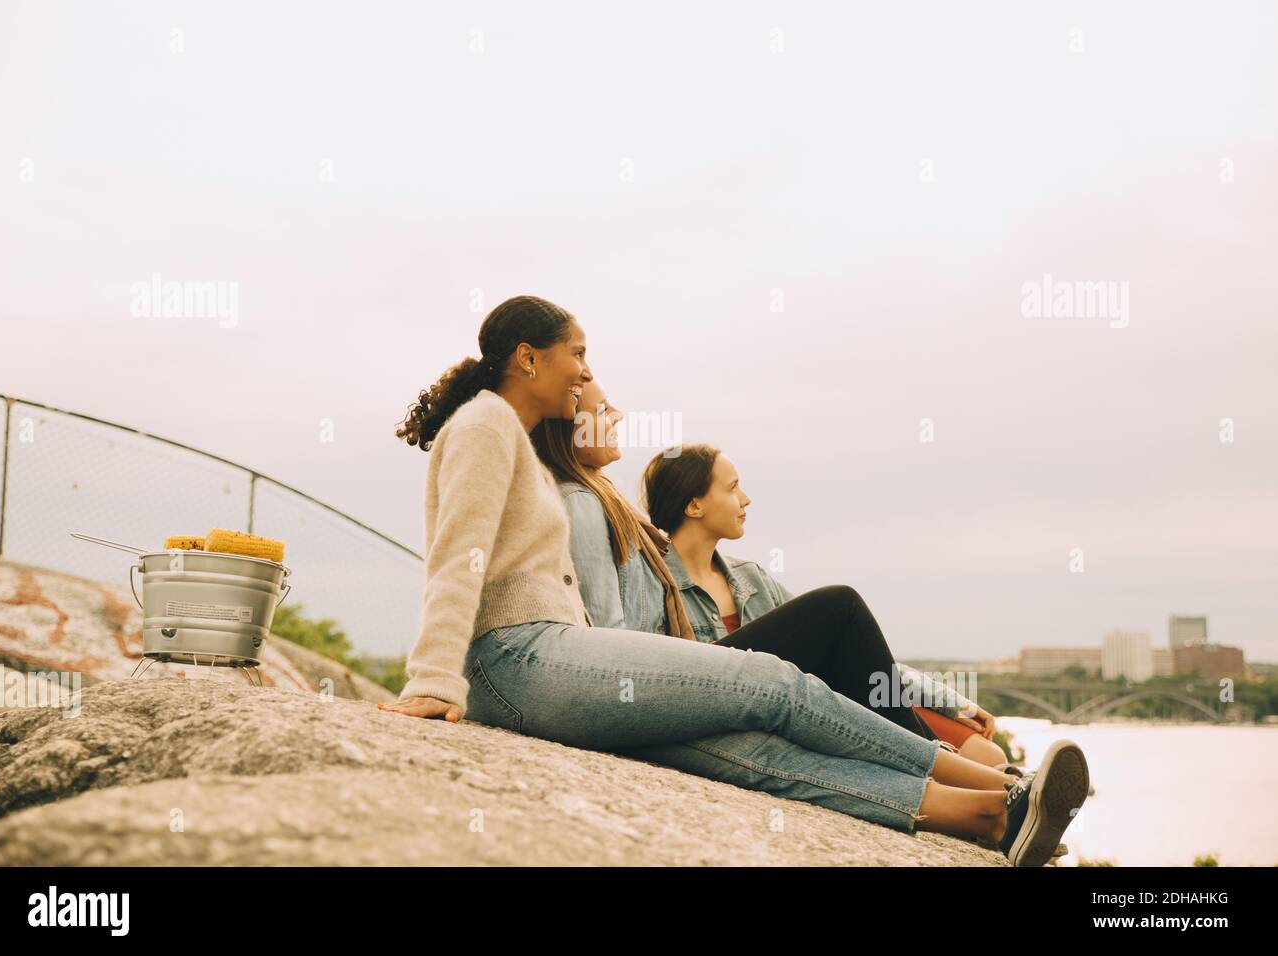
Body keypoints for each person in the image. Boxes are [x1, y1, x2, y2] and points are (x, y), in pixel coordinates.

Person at [378, 294, 1089, 865]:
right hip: (516, 658)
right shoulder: (486, 424)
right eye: (578, 355)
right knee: (773, 684)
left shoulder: (523, 449)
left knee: (751, 756)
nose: (586, 374)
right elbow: (457, 556)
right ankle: (998, 783)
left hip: (540, 667)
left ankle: (987, 815)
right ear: (528, 359)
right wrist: (433, 684)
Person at [531, 380, 1002, 765]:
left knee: (982, 746)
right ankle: (932, 762)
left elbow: (860, 653)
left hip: (776, 696)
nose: (747, 499)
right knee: (839, 604)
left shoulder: (751, 578)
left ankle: (1006, 787)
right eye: (733, 488)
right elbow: (623, 650)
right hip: (715, 692)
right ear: (695, 504)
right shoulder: (650, 575)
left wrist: (948, 698)